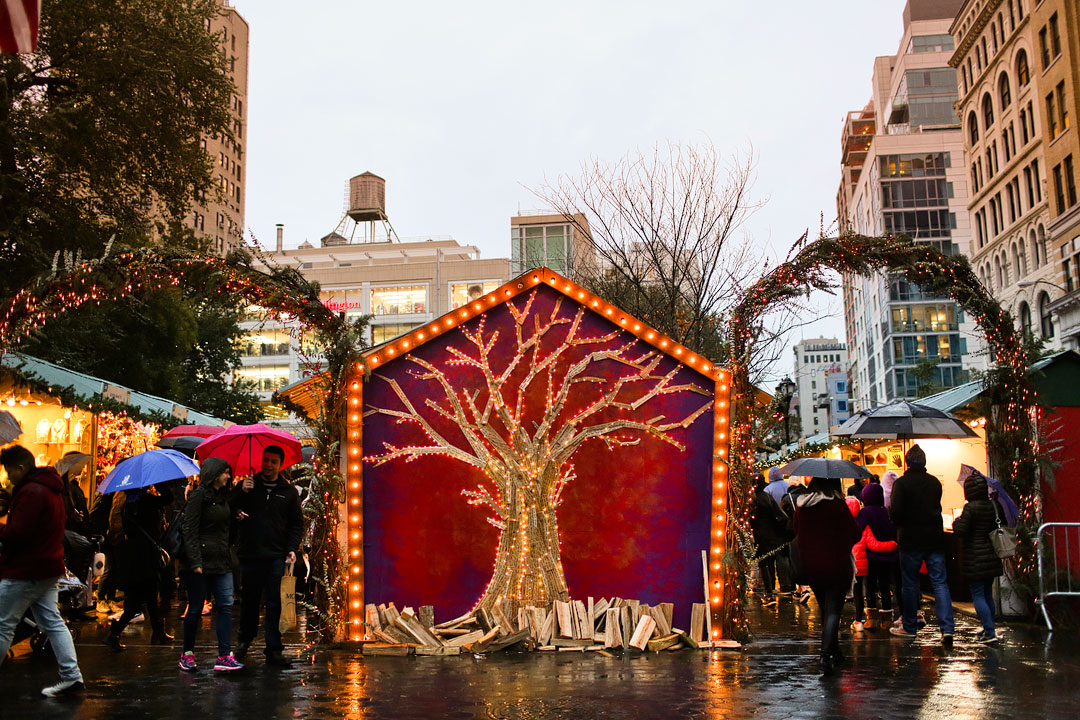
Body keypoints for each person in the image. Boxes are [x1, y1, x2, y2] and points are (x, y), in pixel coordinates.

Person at [0, 445, 84, 697]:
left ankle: (72, 676)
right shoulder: (49, 488)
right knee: (53, 622)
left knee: (3, 624)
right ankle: (72, 676)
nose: (7, 476)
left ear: (21, 467)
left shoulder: (32, 492)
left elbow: (17, 534)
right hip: (47, 567)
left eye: (9, 471)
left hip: (27, 568)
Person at [231, 445, 303, 666]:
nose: (268, 465)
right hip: (251, 554)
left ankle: (273, 648)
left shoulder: (288, 491)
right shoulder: (248, 486)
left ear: (280, 465)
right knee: (250, 601)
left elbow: (296, 524)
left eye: (273, 461)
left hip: (276, 555)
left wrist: (292, 547)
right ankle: (244, 640)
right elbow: (229, 509)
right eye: (266, 460)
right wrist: (241, 492)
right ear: (260, 461)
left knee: (274, 602)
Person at [178, 457, 243, 671]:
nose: (228, 476)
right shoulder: (198, 497)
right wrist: (195, 560)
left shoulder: (224, 497)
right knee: (195, 608)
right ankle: (187, 653)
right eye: (225, 472)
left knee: (225, 606)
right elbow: (190, 529)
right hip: (202, 563)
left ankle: (224, 655)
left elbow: (223, 525)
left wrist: (235, 516)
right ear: (214, 474)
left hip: (221, 560)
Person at [793, 476, 859, 675]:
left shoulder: (802, 508)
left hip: (812, 567)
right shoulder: (837, 506)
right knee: (833, 612)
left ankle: (835, 651)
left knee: (826, 609)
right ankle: (825, 654)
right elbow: (855, 533)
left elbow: (795, 531)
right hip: (837, 566)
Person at [888, 444, 954, 644]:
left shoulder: (901, 484)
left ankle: (909, 625)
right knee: (940, 583)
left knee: (909, 584)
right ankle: (947, 628)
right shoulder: (934, 483)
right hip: (934, 539)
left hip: (910, 540)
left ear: (907, 462)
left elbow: (896, 512)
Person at [103, 482, 174, 649]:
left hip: (134, 555)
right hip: (146, 554)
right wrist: (160, 483)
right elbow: (168, 498)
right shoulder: (145, 500)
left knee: (149, 595)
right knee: (139, 598)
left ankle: (157, 631)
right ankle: (114, 633)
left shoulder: (128, 502)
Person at [951, 472, 1004, 645]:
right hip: (991, 554)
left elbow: (961, 530)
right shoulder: (994, 506)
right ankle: (989, 627)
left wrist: (956, 521)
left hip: (974, 556)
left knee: (978, 595)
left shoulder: (970, 508)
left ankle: (989, 631)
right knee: (987, 593)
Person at [857, 482, 900, 630]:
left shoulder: (865, 512)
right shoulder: (886, 511)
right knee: (885, 586)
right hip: (888, 556)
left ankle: (872, 618)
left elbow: (858, 529)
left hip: (872, 556)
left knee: (870, 586)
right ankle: (887, 618)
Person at [750, 479, 788, 606]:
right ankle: (770, 592)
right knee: (769, 560)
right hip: (771, 534)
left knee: (763, 563)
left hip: (758, 534)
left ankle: (769, 593)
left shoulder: (753, 500)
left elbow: (751, 518)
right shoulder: (767, 498)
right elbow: (781, 516)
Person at [845, 493, 868, 631]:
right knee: (859, 592)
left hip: (846, 563)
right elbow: (871, 542)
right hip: (861, 564)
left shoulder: (842, 525)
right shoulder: (863, 523)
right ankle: (859, 620)